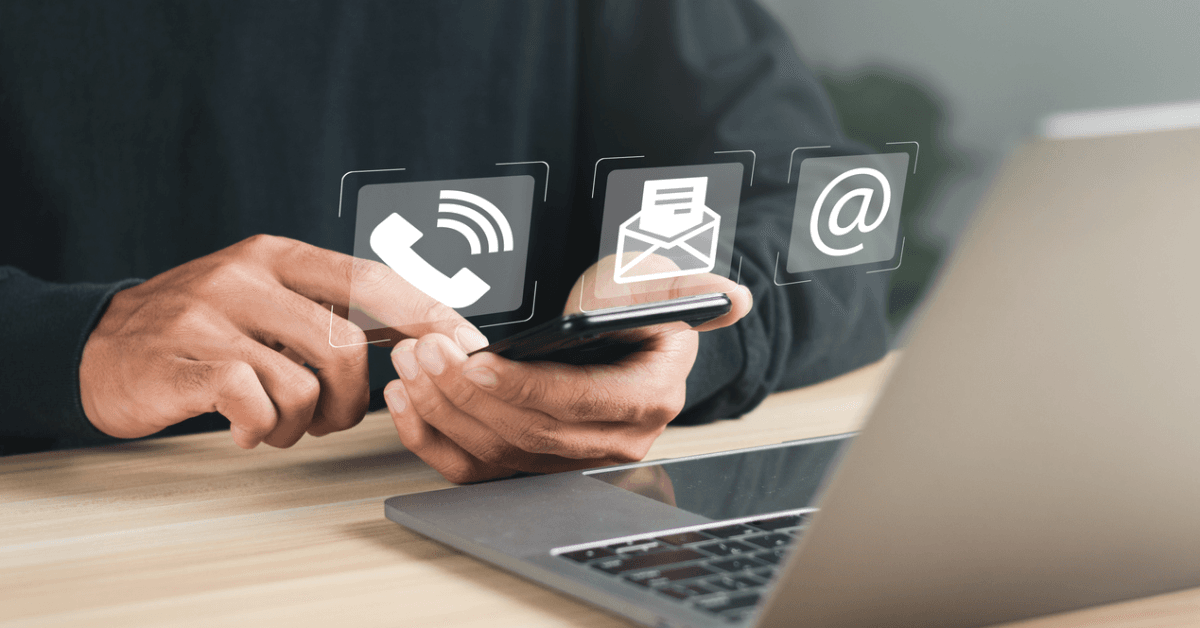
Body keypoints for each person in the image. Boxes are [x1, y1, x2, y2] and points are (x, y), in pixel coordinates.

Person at [0, 1, 889, 481]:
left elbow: (816, 200)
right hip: (85, 527)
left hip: (492, 527)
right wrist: (70, 341)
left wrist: (679, 331)